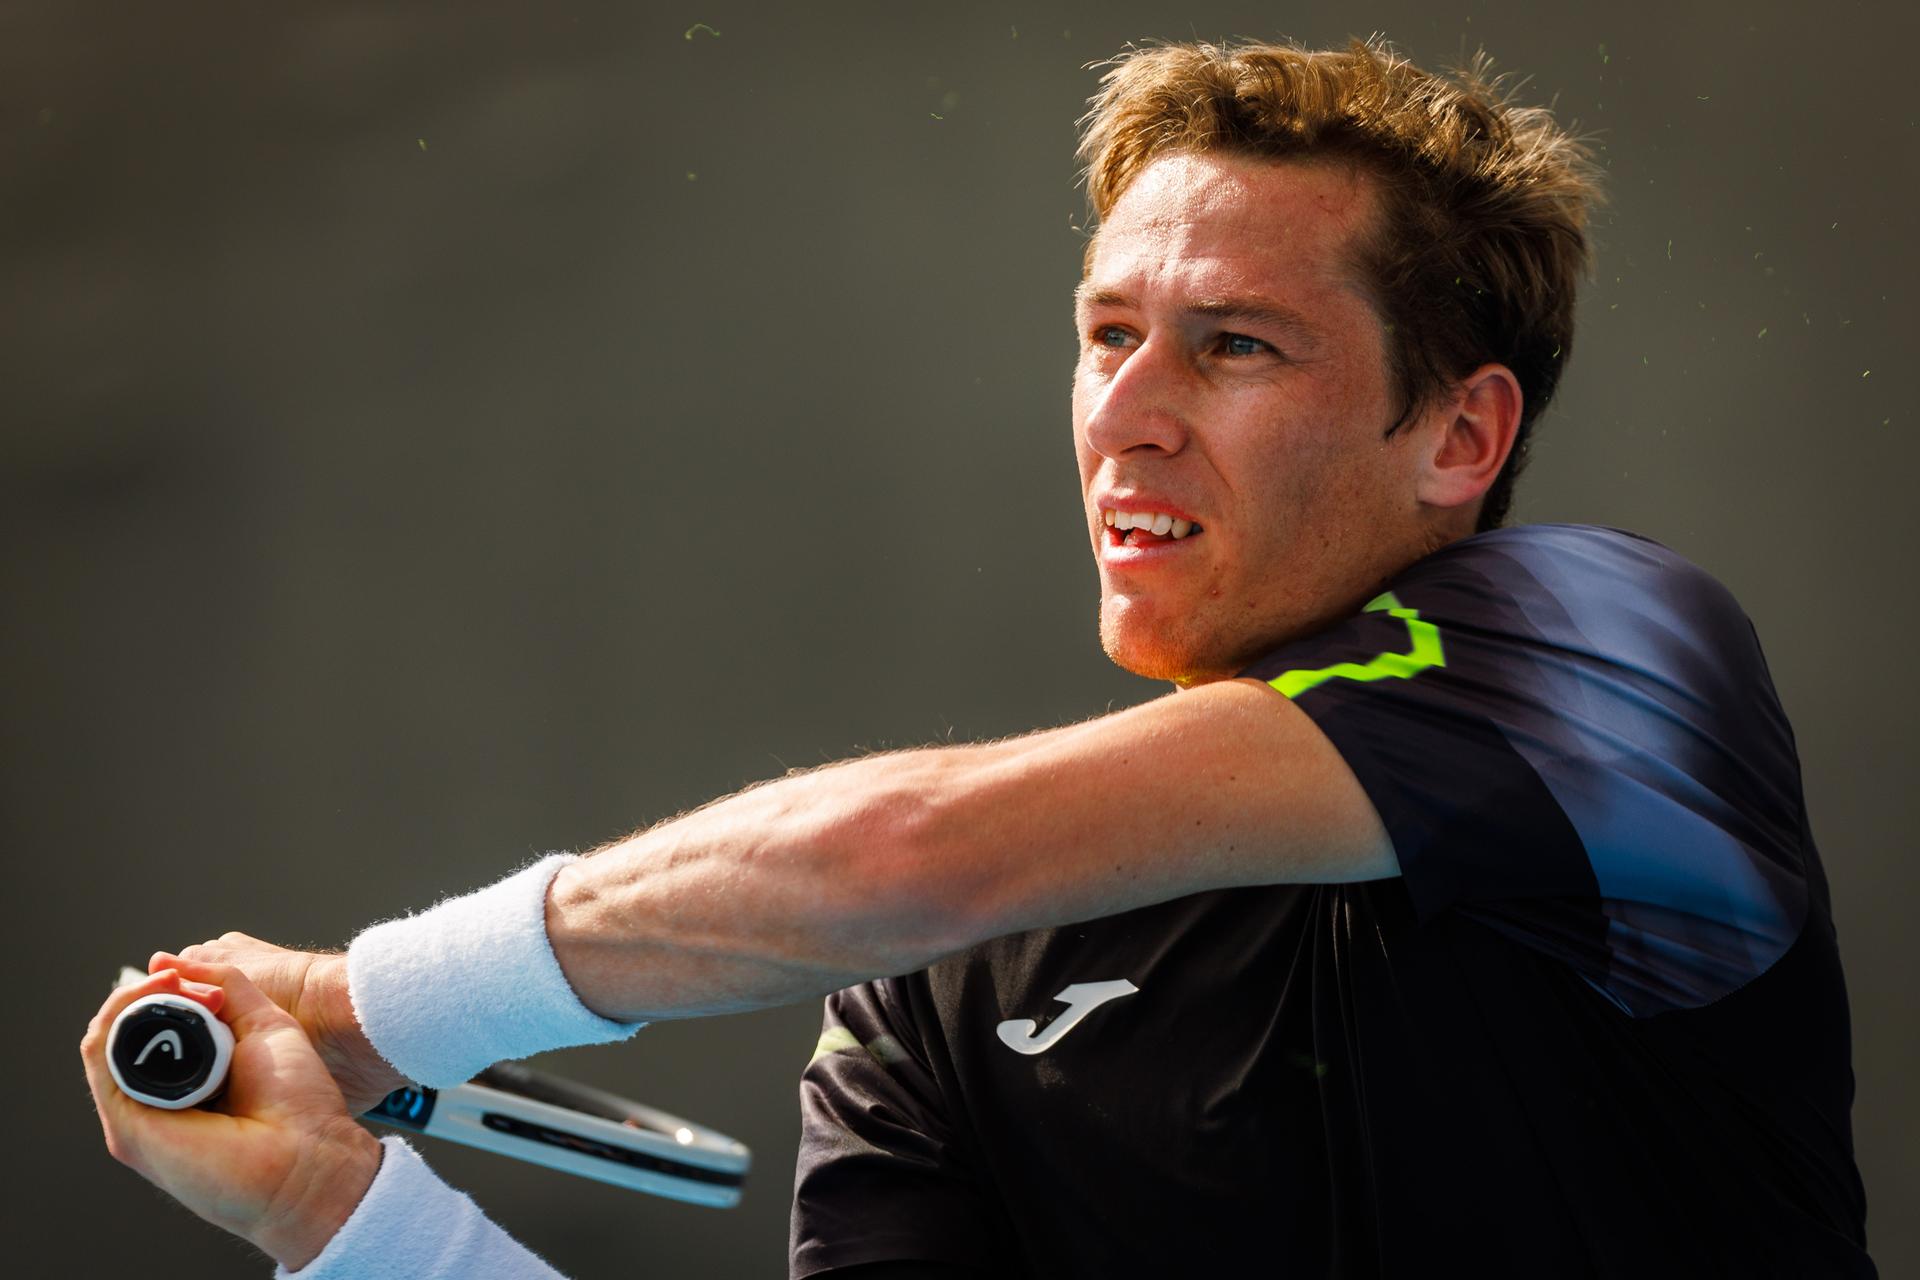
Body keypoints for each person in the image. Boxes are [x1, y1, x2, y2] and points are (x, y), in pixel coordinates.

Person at [81, 36, 1874, 1278]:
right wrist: (335, 1210)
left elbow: (905, 853)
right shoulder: (944, 989)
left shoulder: (1619, 662)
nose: (1129, 420)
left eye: (1234, 346)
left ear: (1460, 439)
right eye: (1107, 335)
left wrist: (377, 997)